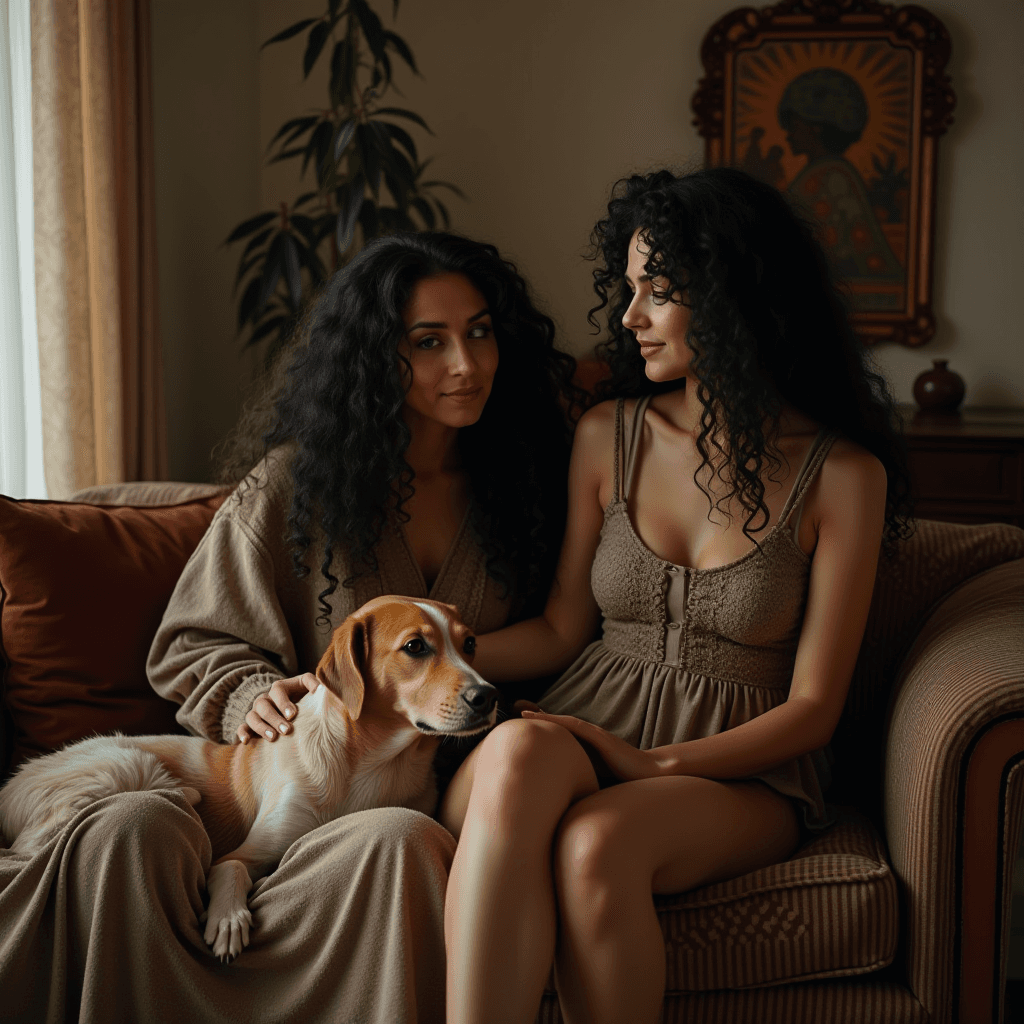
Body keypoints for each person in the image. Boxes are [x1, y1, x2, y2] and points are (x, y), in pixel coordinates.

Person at [0, 232, 580, 1024]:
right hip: (314, 774)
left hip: (465, 780)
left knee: (400, 843)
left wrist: (457, 674)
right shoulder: (295, 488)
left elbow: (567, 632)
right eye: (428, 342)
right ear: (376, 357)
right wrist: (249, 696)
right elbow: (190, 641)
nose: (466, 365)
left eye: (480, 332)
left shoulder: (534, 488)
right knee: (143, 830)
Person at [437, 167, 912, 1024]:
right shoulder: (605, 434)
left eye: (659, 290)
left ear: (735, 298)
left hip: (740, 772)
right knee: (519, 751)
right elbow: (556, 632)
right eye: (628, 289)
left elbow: (813, 709)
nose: (629, 318)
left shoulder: (844, 477)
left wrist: (657, 765)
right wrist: (423, 662)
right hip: (587, 721)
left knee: (598, 843)